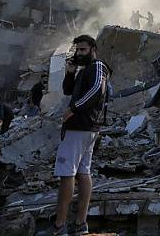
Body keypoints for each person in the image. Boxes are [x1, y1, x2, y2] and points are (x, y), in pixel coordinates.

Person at [52, 35, 108, 236]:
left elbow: (96, 91)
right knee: (83, 173)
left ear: (93, 49)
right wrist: (69, 73)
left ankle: (60, 226)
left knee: (68, 174)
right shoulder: (84, 70)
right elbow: (68, 90)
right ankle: (79, 225)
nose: (79, 53)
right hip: (83, 128)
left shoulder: (98, 66)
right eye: (77, 50)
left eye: (83, 50)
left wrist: (72, 110)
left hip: (80, 127)